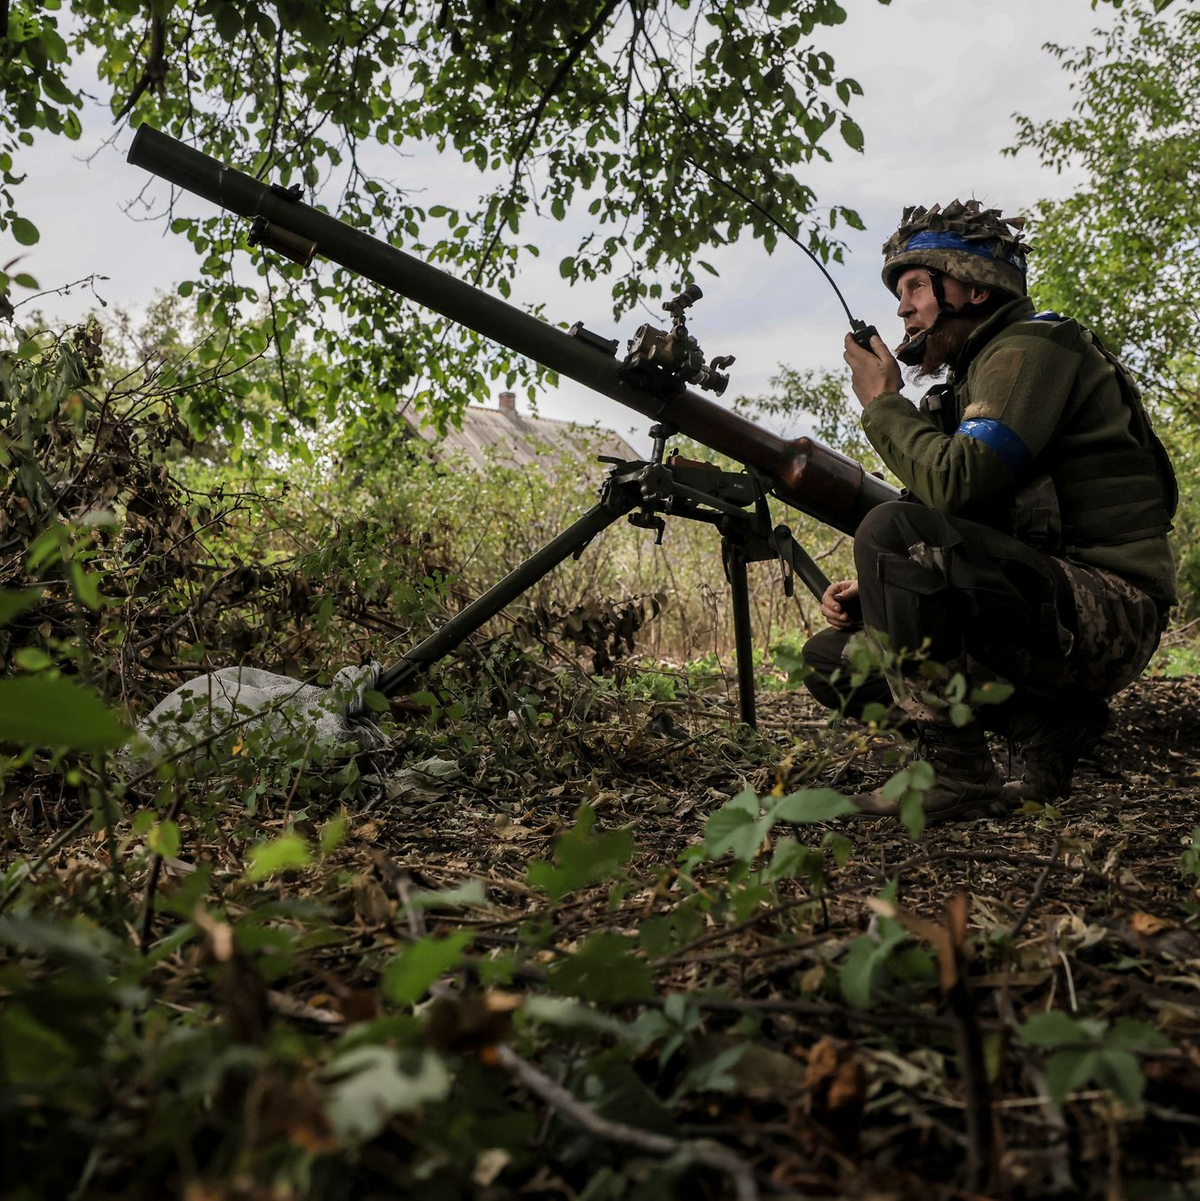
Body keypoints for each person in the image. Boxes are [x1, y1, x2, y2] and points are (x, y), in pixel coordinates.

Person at [804, 199, 1177, 818]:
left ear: (973, 289)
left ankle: (957, 775)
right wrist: (874, 594)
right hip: (1046, 606)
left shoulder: (1032, 349)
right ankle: (1047, 726)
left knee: (890, 530)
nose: (903, 307)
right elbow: (951, 531)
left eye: (917, 286)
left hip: (1111, 607)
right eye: (902, 293)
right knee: (831, 660)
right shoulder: (969, 385)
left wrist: (882, 405)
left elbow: (956, 487)